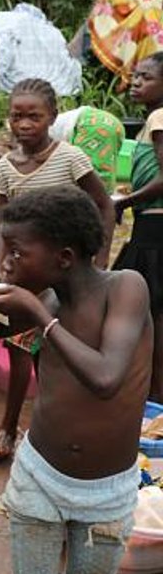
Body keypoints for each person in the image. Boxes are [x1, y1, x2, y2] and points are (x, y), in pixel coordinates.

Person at [0, 187, 151, 574]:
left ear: (65, 257)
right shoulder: (47, 299)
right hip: (40, 475)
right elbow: (12, 339)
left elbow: (107, 377)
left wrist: (40, 316)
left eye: (17, 252)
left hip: (107, 492)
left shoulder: (125, 288)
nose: (6, 262)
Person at [0, 78, 116, 460]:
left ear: (52, 117)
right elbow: (0, 226)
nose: (24, 124)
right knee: (19, 345)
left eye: (34, 116)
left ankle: (55, 426)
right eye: (17, 116)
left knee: (59, 347)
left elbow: (104, 205)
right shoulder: (5, 168)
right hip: (27, 272)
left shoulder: (70, 158)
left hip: (65, 272)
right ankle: (9, 427)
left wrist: (101, 261)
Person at [115, 51, 163, 402]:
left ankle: (153, 405)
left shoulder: (160, 116)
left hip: (154, 231)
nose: (136, 82)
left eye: (145, 77)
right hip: (150, 224)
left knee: (149, 318)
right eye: (135, 76)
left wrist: (124, 202)